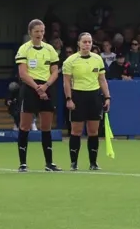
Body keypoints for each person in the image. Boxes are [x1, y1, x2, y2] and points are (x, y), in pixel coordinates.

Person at [13, 19, 61, 172]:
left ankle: (49, 163)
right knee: (25, 126)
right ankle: (23, 163)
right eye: (36, 31)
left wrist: (46, 86)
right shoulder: (24, 49)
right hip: (29, 88)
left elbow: (55, 71)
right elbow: (23, 73)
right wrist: (37, 88)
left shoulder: (50, 49)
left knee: (46, 126)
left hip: (47, 87)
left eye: (41, 31)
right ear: (30, 33)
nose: (39, 34)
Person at [61, 30, 109, 171]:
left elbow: (102, 79)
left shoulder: (97, 59)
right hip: (78, 96)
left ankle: (93, 163)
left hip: (94, 96)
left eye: (89, 42)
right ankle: (74, 163)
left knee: (93, 131)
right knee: (76, 131)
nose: (87, 44)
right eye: (84, 42)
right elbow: (66, 82)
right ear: (79, 44)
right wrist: (69, 99)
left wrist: (107, 96)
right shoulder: (70, 61)